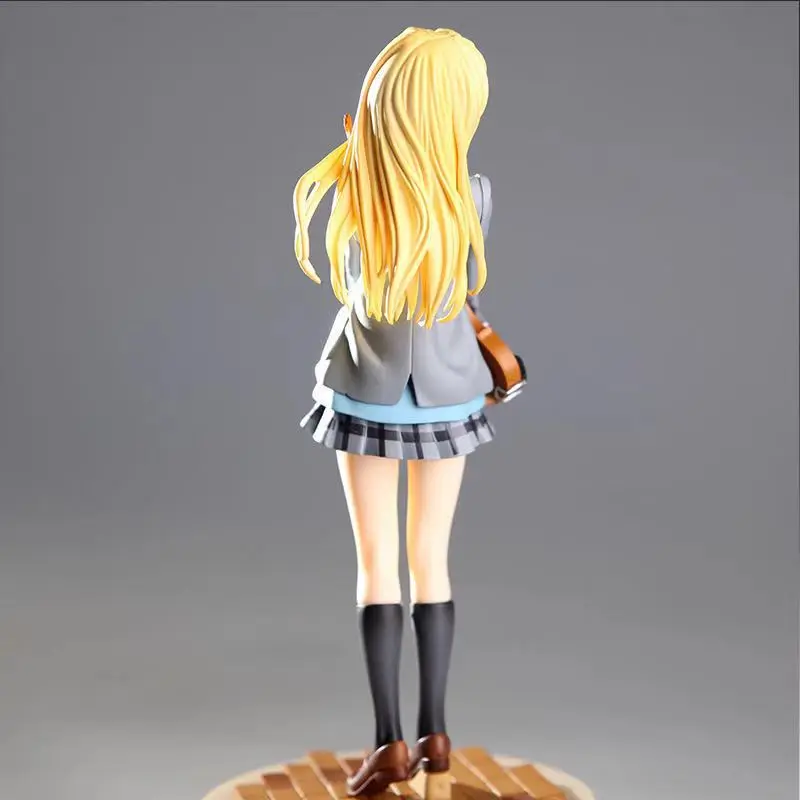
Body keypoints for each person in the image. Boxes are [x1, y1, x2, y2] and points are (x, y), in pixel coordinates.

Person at [293, 26, 497, 798]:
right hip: (447, 393)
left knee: (377, 564)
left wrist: (359, 157)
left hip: (366, 391)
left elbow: (356, 284)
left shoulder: (355, 196)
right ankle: (436, 733)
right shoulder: (474, 195)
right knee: (431, 560)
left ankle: (389, 743)